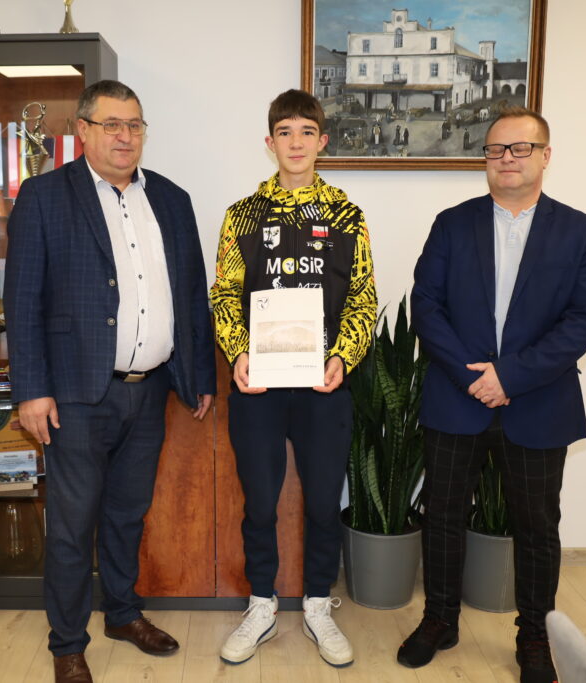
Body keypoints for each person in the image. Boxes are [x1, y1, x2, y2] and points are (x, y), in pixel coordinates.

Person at [4, 79, 216, 683]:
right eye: (112, 125)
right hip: (74, 395)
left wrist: (200, 374)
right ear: (84, 131)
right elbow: (22, 301)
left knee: (127, 514)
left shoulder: (171, 199)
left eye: (135, 125)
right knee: (73, 527)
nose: (125, 136)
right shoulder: (45, 196)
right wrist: (31, 390)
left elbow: (191, 295)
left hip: (149, 390)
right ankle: (68, 643)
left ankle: (122, 613)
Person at [401, 107, 586, 683]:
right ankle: (440, 619)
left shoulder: (581, 231)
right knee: (443, 515)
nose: (507, 159)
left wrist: (508, 377)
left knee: (537, 527)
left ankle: (535, 636)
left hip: (538, 402)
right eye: (495, 150)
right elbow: (426, 306)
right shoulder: (452, 224)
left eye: (521, 148)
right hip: (457, 395)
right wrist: (473, 377)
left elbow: (583, 320)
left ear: (546, 155)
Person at [210, 89, 377, 668]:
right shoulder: (242, 215)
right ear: (270, 142)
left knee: (324, 503)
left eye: (307, 131)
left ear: (322, 141)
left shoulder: (347, 216)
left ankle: (316, 606)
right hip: (258, 386)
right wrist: (238, 352)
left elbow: (362, 300)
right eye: (285, 132)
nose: (296, 142)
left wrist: (343, 358)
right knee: (259, 500)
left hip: (323, 386)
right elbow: (224, 294)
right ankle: (261, 604)